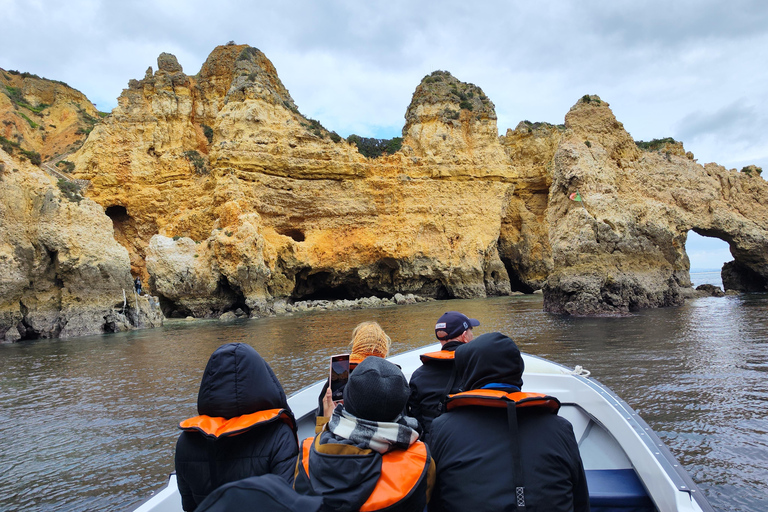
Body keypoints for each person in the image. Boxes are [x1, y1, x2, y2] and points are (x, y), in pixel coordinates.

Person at [428, 332, 589, 512]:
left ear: (469, 371)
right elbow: (580, 500)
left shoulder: (442, 428)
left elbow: (434, 502)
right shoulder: (561, 427)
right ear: (517, 368)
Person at [295, 356, 435, 512]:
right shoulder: (421, 461)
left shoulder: (307, 453)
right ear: (401, 407)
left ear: (347, 399)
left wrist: (327, 425)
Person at [175, 343, 299, 511]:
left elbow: (189, 507)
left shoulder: (185, 441)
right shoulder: (279, 435)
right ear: (261, 379)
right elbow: (287, 503)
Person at [407, 311, 479, 438]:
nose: (473, 335)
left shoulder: (418, 375)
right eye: (471, 331)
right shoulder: (477, 369)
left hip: (433, 445)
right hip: (470, 442)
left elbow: (415, 416)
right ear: (464, 336)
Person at [316, 321, 392, 424]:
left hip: (339, 434)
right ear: (384, 350)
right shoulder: (393, 380)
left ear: (356, 345)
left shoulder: (337, 380)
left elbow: (321, 415)